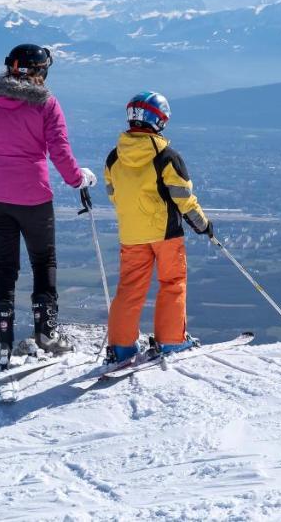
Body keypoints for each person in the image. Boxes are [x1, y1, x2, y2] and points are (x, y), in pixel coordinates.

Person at [0, 43, 96, 368]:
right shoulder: (47, 105)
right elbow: (60, 152)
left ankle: (2, 339)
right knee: (43, 259)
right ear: (41, 72)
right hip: (33, 196)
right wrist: (79, 179)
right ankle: (46, 331)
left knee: (4, 265)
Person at [103, 91, 213, 363]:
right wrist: (203, 225)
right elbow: (183, 199)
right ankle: (171, 341)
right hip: (165, 233)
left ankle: (121, 348)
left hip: (130, 233)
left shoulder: (113, 158)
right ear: (159, 121)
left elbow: (114, 194)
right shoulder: (166, 156)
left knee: (129, 289)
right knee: (172, 284)